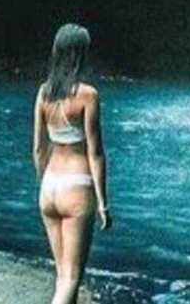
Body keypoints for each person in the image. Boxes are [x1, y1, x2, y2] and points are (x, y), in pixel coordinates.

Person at [33, 23, 112, 304]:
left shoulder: (45, 93)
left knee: (62, 275)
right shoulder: (88, 95)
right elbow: (96, 152)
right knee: (71, 279)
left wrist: (44, 186)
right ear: (80, 55)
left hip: (50, 188)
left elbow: (39, 148)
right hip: (77, 188)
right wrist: (103, 203)